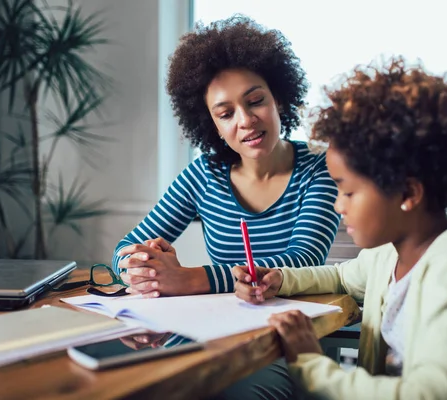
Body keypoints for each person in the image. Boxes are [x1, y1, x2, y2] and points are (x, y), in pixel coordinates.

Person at [233, 58, 447, 399]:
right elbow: (342, 278)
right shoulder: (390, 253)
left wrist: (310, 363)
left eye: (348, 192)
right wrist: (281, 279)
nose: (338, 205)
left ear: (408, 193)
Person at [112, 16, 341, 400]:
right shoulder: (204, 174)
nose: (246, 120)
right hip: (207, 336)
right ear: (212, 125)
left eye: (256, 101)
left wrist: (189, 279)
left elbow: (302, 261)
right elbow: (125, 247)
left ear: (279, 99)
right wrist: (140, 270)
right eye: (226, 113)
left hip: (281, 345)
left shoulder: (320, 168)